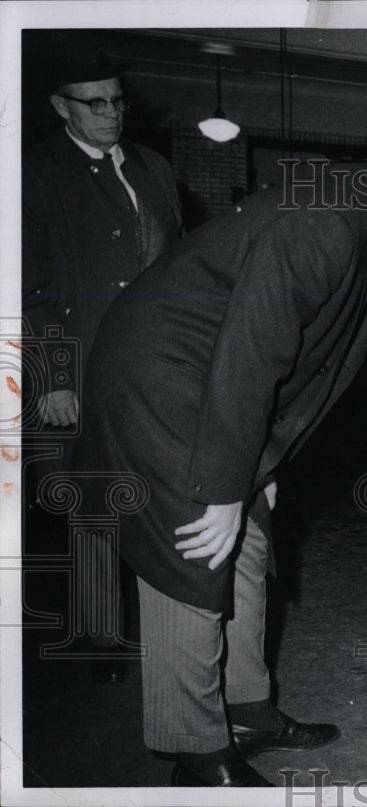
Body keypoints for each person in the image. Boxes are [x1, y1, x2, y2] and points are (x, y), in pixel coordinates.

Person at [76, 132, 367, 786]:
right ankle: (197, 749)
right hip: (161, 379)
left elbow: (298, 364)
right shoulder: (328, 220)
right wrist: (219, 486)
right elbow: (253, 353)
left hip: (209, 378)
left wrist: (257, 467)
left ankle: (248, 706)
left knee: (250, 540)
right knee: (197, 548)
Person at [22, 49, 184, 683]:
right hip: (80, 367)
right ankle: (98, 637)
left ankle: (165, 624)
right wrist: (55, 374)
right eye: (97, 103)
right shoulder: (36, 173)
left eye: (118, 100)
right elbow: (27, 283)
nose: (113, 112)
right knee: (94, 507)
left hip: (152, 368)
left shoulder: (154, 169)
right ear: (62, 106)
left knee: (159, 498)